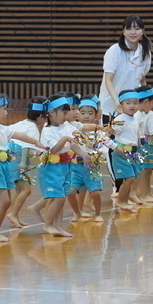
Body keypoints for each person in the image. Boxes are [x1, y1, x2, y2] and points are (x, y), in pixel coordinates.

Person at [0, 93, 45, 242]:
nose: (6, 113)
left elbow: (20, 135)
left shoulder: (1, 128)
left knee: (6, 201)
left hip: (4, 166)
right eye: (4, 109)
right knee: (4, 201)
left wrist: (36, 142)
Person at [39, 94, 90, 236]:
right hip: (52, 168)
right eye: (64, 112)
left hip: (65, 166)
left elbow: (73, 145)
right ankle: (48, 225)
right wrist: (65, 138)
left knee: (61, 198)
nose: (66, 116)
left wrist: (84, 154)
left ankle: (58, 226)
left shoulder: (65, 127)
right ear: (51, 113)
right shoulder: (47, 130)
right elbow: (54, 149)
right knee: (58, 197)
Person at [99, 15, 153, 124]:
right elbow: (108, 80)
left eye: (137, 29)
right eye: (129, 29)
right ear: (123, 31)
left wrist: (146, 101)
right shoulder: (114, 51)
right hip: (111, 106)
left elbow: (142, 80)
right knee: (110, 134)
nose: (133, 32)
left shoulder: (146, 53)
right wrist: (117, 101)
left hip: (133, 107)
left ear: (142, 31)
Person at [6, 96, 47, 229]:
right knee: (26, 190)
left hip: (10, 159)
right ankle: (13, 214)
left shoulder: (21, 123)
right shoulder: (33, 129)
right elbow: (25, 146)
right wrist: (23, 162)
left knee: (19, 190)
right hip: (19, 161)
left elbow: (7, 133)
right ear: (40, 116)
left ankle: (15, 215)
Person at [67, 95, 106, 223]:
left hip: (92, 167)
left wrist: (99, 154)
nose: (86, 116)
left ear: (96, 115)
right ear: (77, 114)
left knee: (95, 192)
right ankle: (77, 212)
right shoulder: (73, 129)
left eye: (90, 113)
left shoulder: (98, 132)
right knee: (71, 191)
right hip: (75, 166)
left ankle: (98, 213)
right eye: (82, 112)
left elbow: (105, 146)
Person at [105, 90, 142, 213]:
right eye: (128, 103)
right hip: (122, 153)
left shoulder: (134, 118)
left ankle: (124, 201)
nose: (132, 105)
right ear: (121, 105)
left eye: (135, 103)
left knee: (132, 178)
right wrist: (114, 146)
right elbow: (108, 134)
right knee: (129, 178)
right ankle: (121, 201)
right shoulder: (120, 119)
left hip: (132, 153)